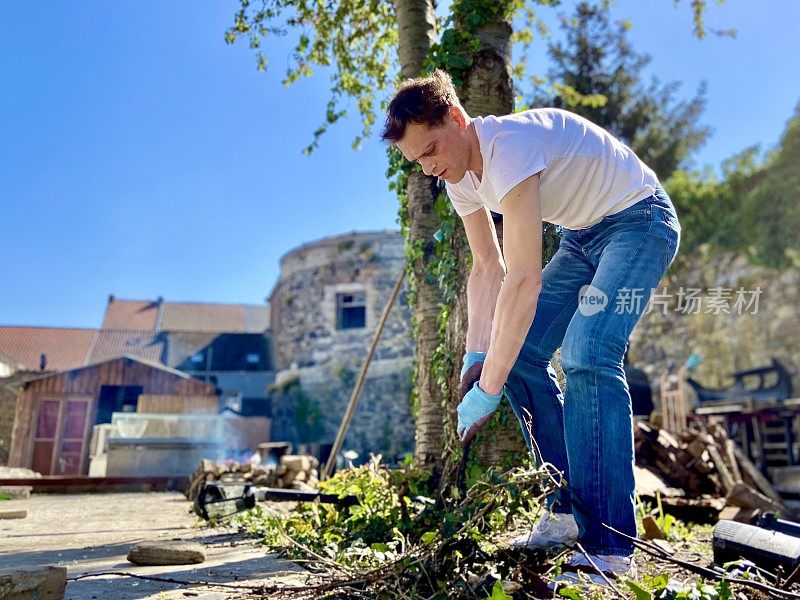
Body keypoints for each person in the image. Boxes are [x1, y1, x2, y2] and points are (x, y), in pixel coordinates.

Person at [381, 69, 680, 584]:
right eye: (419, 162)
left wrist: (489, 390)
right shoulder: (460, 181)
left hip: (639, 221)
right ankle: (565, 509)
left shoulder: (508, 147)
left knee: (588, 353)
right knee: (513, 354)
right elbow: (485, 271)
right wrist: (479, 359)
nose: (431, 168)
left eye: (431, 150)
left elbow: (522, 280)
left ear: (456, 118)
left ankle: (609, 546)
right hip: (583, 239)